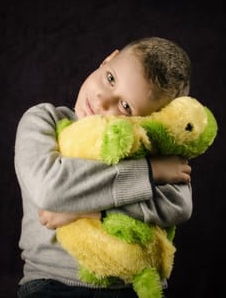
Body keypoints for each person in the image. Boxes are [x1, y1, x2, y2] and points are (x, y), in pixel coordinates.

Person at [15, 36, 192, 298]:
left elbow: (178, 205)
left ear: (153, 120)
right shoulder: (45, 120)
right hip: (53, 283)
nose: (102, 101)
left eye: (126, 106)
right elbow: (48, 189)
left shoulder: (146, 146)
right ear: (108, 59)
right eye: (111, 78)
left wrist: (85, 211)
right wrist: (148, 172)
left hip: (136, 286)